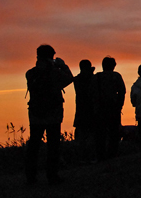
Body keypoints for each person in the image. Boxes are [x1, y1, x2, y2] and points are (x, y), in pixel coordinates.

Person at [24, 45, 74, 185]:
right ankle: (52, 176)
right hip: (53, 113)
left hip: (36, 113)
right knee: (53, 145)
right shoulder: (55, 73)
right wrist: (62, 66)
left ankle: (31, 177)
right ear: (51, 56)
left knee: (34, 145)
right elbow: (69, 79)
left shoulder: (30, 73)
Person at [95, 56, 126, 160]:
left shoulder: (97, 77)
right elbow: (122, 92)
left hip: (100, 109)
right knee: (114, 133)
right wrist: (119, 105)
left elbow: (92, 93)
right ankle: (112, 154)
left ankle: (101, 155)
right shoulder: (116, 76)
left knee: (100, 133)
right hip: (113, 108)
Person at [72, 59, 98, 155]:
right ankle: (90, 155)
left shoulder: (77, 79)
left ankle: (81, 155)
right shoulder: (93, 79)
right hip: (91, 110)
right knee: (91, 135)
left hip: (80, 111)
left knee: (81, 136)